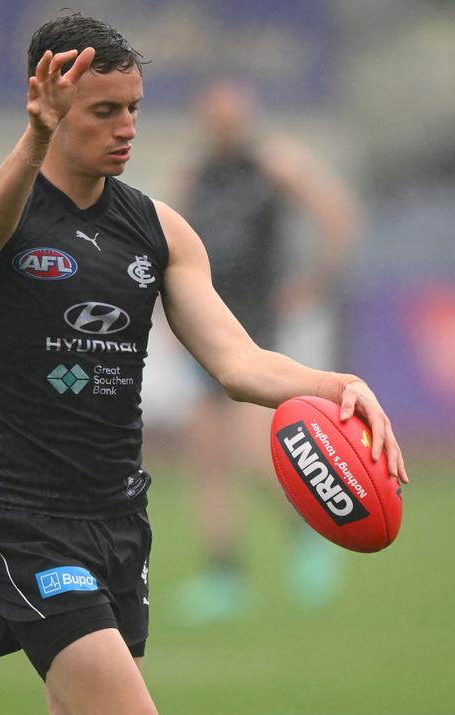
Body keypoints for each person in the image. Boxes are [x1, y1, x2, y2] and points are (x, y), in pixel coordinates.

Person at [0, 14, 407, 715]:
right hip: (22, 521)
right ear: (46, 102)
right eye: (102, 111)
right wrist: (32, 142)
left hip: (117, 522)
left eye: (134, 109)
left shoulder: (157, 229)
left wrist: (337, 386)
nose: (126, 130)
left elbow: (236, 361)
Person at [177, 82, 361, 618]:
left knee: (256, 452)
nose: (223, 130)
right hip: (206, 322)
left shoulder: (276, 165)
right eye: (215, 121)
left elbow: (337, 217)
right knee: (206, 455)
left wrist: (314, 279)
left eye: (232, 121)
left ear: (247, 119)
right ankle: (224, 576)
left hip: (256, 325)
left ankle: (311, 531)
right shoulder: (196, 178)